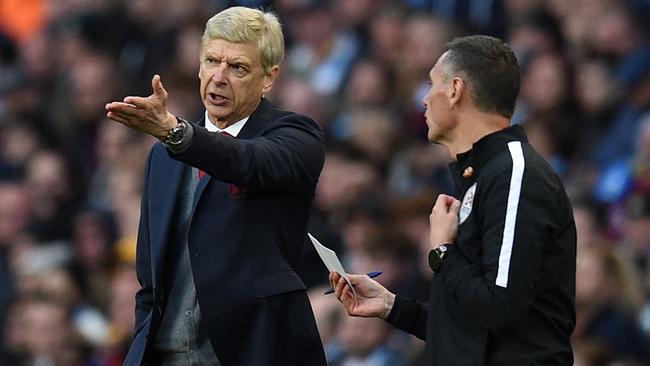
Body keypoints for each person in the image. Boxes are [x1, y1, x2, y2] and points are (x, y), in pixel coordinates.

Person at [330, 35, 577, 365]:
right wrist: (392, 306)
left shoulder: (516, 174)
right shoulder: (483, 173)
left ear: (455, 89)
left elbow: (501, 309)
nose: (425, 100)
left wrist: (442, 252)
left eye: (432, 84)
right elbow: (472, 328)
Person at [105, 6, 326, 366]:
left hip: (254, 351)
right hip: (167, 354)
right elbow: (150, 281)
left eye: (237, 67)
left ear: (269, 78)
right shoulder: (162, 157)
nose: (219, 77)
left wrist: (175, 133)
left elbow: (246, 162)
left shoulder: (296, 135)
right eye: (211, 61)